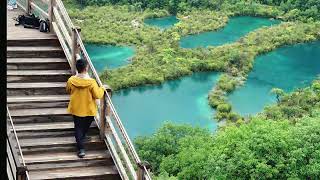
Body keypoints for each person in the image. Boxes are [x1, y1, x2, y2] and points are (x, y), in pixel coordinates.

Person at [66, 59, 105, 158]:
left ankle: (81, 145)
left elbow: (68, 90)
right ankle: (81, 143)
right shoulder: (91, 82)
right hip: (89, 109)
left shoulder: (71, 80)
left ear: (77, 68)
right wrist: (103, 88)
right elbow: (97, 95)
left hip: (76, 108)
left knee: (78, 127)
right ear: (86, 68)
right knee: (84, 127)